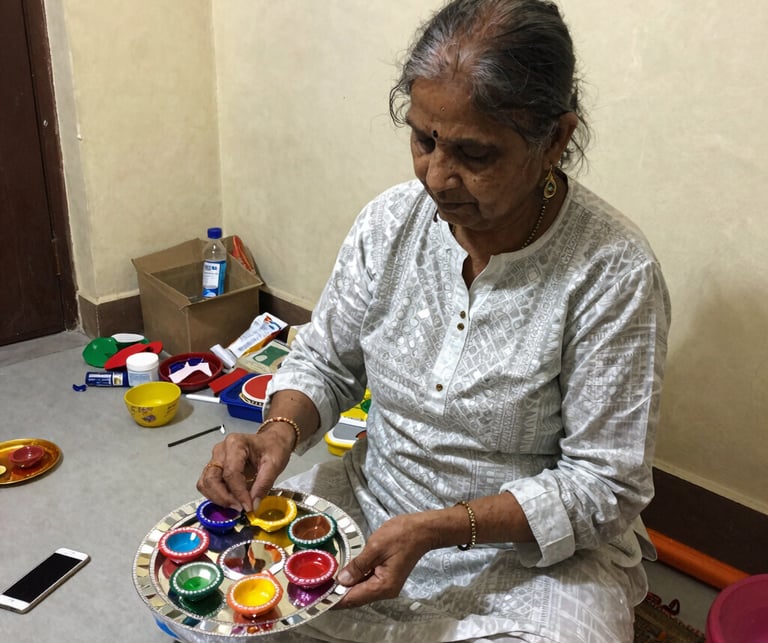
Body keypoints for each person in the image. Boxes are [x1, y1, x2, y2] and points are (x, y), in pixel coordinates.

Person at [198, 0, 671, 641]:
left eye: (475, 154)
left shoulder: (611, 271)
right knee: (230, 601)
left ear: (555, 139)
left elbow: (603, 486)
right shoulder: (389, 224)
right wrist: (277, 433)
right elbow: (325, 360)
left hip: (533, 559)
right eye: (424, 140)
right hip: (374, 503)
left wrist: (443, 528)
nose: (437, 177)